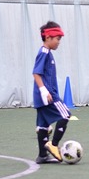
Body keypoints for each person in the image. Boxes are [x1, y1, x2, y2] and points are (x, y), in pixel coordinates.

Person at [32, 21, 71, 163]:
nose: (59, 42)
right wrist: (44, 91)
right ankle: (53, 145)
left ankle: (42, 155)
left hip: (41, 97)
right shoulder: (44, 53)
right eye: (57, 39)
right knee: (66, 114)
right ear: (48, 37)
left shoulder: (47, 53)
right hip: (48, 95)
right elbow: (36, 73)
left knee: (43, 125)